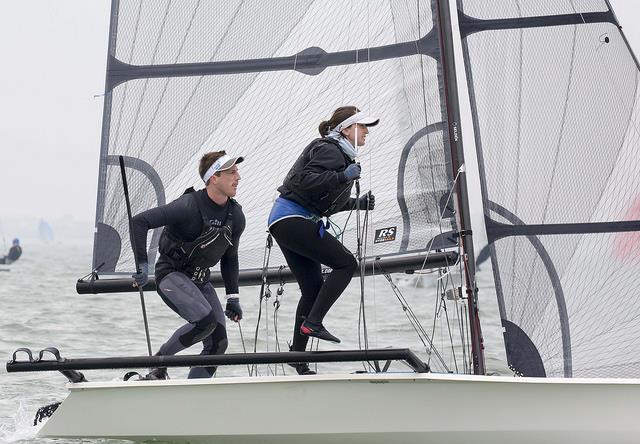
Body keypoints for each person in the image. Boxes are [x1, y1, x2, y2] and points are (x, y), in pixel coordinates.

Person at [268, 106, 377, 375]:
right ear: (346, 129)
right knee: (345, 264)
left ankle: (297, 355)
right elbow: (305, 181)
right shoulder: (330, 149)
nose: (366, 132)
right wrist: (343, 176)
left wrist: (357, 204)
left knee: (313, 288)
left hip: (288, 220)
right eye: (362, 126)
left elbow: (320, 197)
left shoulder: (340, 154)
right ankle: (313, 322)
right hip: (293, 220)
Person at [130, 151, 246, 380]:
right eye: (232, 172)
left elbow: (230, 257)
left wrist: (233, 297)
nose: (238, 177)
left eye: (238, 172)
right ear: (214, 178)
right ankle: (159, 365)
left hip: (201, 280)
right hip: (171, 275)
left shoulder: (236, 215)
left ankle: (192, 393)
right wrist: (143, 265)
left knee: (218, 343)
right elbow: (139, 222)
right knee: (205, 322)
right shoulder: (187, 206)